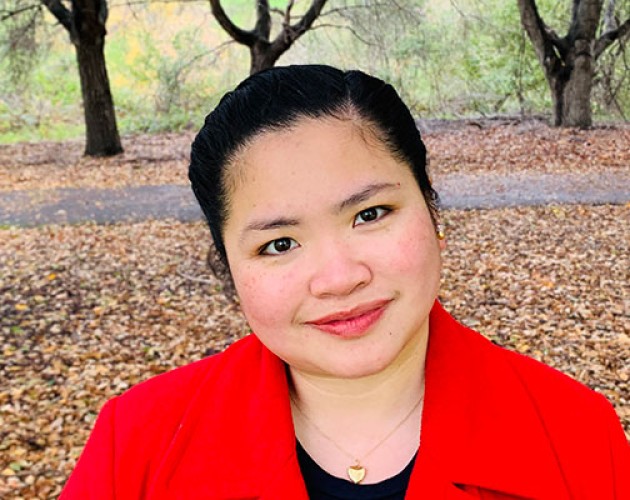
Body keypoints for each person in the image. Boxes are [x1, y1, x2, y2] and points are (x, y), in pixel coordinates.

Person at [61, 65, 629, 499]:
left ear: (431, 206)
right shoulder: (136, 446)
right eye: (279, 244)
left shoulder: (576, 437)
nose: (338, 278)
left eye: (370, 214)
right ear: (229, 268)